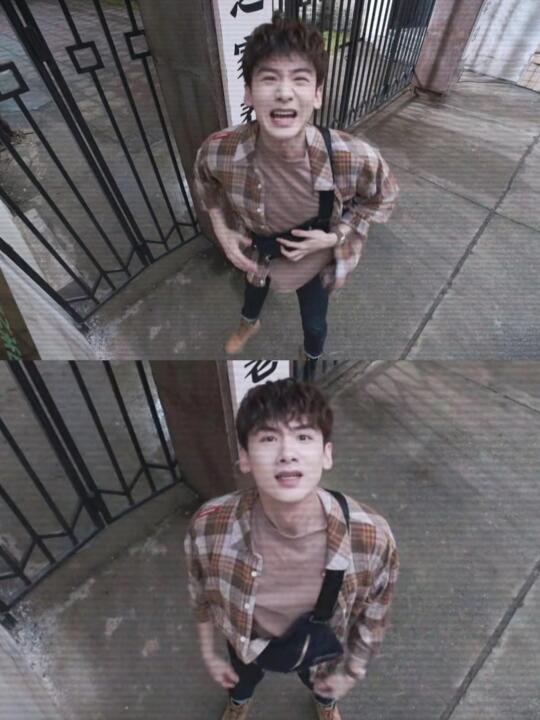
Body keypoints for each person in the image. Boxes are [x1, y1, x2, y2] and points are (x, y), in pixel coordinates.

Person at [184, 379, 399, 720]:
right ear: (245, 458)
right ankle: (239, 701)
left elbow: (375, 614)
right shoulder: (209, 527)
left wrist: (351, 672)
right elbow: (199, 593)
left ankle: (325, 703)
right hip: (246, 641)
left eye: (303, 437)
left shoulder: (371, 538)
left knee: (322, 683)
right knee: (241, 681)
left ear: (326, 454)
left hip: (319, 646)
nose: (287, 453)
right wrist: (210, 653)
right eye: (268, 438)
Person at [193, 14, 399, 361]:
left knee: (315, 326)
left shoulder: (352, 156)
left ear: (317, 95)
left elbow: (385, 196)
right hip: (260, 252)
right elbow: (204, 181)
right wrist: (223, 232)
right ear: (248, 93)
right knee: (251, 298)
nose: (284, 93)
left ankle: (310, 356)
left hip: (315, 262)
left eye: (300, 79)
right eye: (269, 79)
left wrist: (336, 236)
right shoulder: (220, 150)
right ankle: (248, 324)